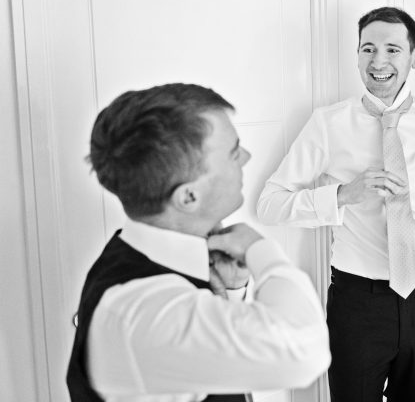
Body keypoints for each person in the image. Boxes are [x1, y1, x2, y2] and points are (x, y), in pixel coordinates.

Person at [257, 7, 415, 402]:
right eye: (368, 49)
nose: (378, 62)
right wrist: (343, 195)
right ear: (357, 55)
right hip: (356, 304)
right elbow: (270, 204)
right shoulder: (327, 124)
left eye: (392, 50)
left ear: (414, 57)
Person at [66, 83, 330, 402]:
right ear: (189, 196)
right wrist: (260, 249)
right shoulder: (141, 312)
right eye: (234, 153)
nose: (246, 157)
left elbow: (208, 364)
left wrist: (230, 296)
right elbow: (304, 350)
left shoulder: (150, 264)